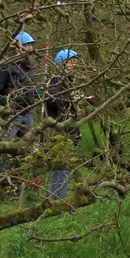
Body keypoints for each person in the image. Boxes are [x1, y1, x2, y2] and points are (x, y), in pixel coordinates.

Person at [0, 31, 38, 178]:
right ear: (17, 47)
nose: (30, 48)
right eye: (26, 45)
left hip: (27, 112)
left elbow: (31, 88)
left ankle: (15, 184)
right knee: (5, 148)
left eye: (30, 45)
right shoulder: (6, 65)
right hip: (11, 113)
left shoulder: (31, 66)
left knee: (23, 150)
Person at [45, 49, 82, 200]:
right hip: (59, 127)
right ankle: (57, 198)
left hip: (69, 126)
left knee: (65, 164)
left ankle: (61, 196)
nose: (75, 64)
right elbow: (52, 100)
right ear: (62, 64)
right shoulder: (55, 80)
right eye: (71, 61)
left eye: (75, 61)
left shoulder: (70, 81)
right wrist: (70, 99)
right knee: (60, 164)